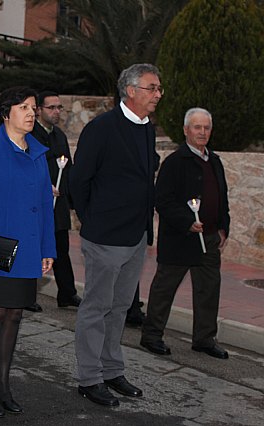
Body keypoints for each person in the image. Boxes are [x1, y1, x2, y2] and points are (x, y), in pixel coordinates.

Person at [70, 63, 162, 407]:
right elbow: (80, 181)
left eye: (158, 89)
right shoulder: (102, 128)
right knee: (97, 308)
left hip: (135, 236)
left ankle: (111, 370)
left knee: (121, 307)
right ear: (131, 90)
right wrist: (92, 222)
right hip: (105, 236)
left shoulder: (147, 127)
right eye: (152, 88)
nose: (158, 95)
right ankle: (90, 378)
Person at [0, 86, 56, 418]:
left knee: (15, 314)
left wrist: (48, 248)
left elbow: (46, 205)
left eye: (34, 107)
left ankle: (4, 385)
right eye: (23, 107)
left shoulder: (38, 151)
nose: (32, 113)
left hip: (29, 249)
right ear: (6, 113)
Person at [141, 108, 230, 360]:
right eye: (197, 127)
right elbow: (163, 200)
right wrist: (187, 222)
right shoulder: (175, 162)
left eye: (206, 128)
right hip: (181, 239)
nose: (202, 132)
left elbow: (222, 198)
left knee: (209, 290)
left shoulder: (214, 161)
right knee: (164, 288)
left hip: (210, 238)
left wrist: (224, 227)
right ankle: (151, 335)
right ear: (185, 130)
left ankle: (204, 339)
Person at [29, 90, 81, 312]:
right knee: (34, 248)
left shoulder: (59, 135)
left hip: (57, 205)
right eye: (51, 107)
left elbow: (66, 168)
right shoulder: (31, 134)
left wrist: (69, 198)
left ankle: (67, 293)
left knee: (60, 248)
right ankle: (27, 294)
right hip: (37, 202)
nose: (56, 111)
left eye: (59, 107)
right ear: (39, 110)